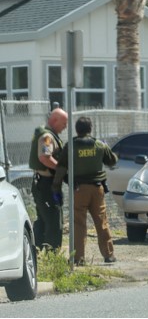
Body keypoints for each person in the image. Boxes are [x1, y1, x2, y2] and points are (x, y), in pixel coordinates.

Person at [52, 116, 118, 265]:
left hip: (79, 189)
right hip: (97, 189)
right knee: (101, 222)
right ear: (90, 129)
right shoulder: (100, 145)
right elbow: (112, 161)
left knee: (79, 224)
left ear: (77, 130)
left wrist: (56, 187)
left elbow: (61, 168)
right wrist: (108, 148)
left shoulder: (71, 146)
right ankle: (109, 255)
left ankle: (78, 258)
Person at [28, 107, 68, 252]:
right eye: (64, 124)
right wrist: (62, 169)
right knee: (53, 221)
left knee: (43, 220)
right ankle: (52, 255)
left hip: (46, 185)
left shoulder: (48, 134)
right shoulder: (46, 137)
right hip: (46, 186)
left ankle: (35, 251)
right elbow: (45, 158)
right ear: (55, 120)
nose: (65, 128)